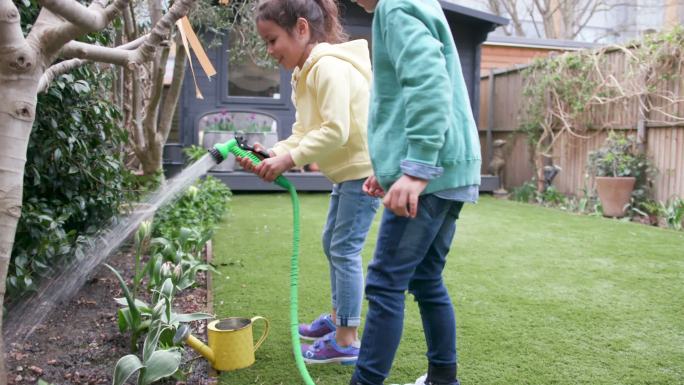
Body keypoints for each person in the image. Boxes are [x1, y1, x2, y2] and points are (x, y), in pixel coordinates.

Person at [236, 0, 379, 365]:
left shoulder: (328, 67)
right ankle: (337, 319)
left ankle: (347, 339)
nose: (270, 52)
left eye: (272, 40)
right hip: (346, 172)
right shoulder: (305, 72)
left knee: (344, 249)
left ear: (301, 29)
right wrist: (274, 152)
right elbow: (303, 132)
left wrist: (290, 159)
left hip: (361, 170)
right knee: (333, 243)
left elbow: (335, 129)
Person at [349, 0, 482, 384]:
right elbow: (403, 99)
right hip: (452, 169)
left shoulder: (395, 7)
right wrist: (390, 171)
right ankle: (443, 378)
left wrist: (418, 167)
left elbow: (427, 80)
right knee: (425, 278)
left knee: (384, 282)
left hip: (431, 172)